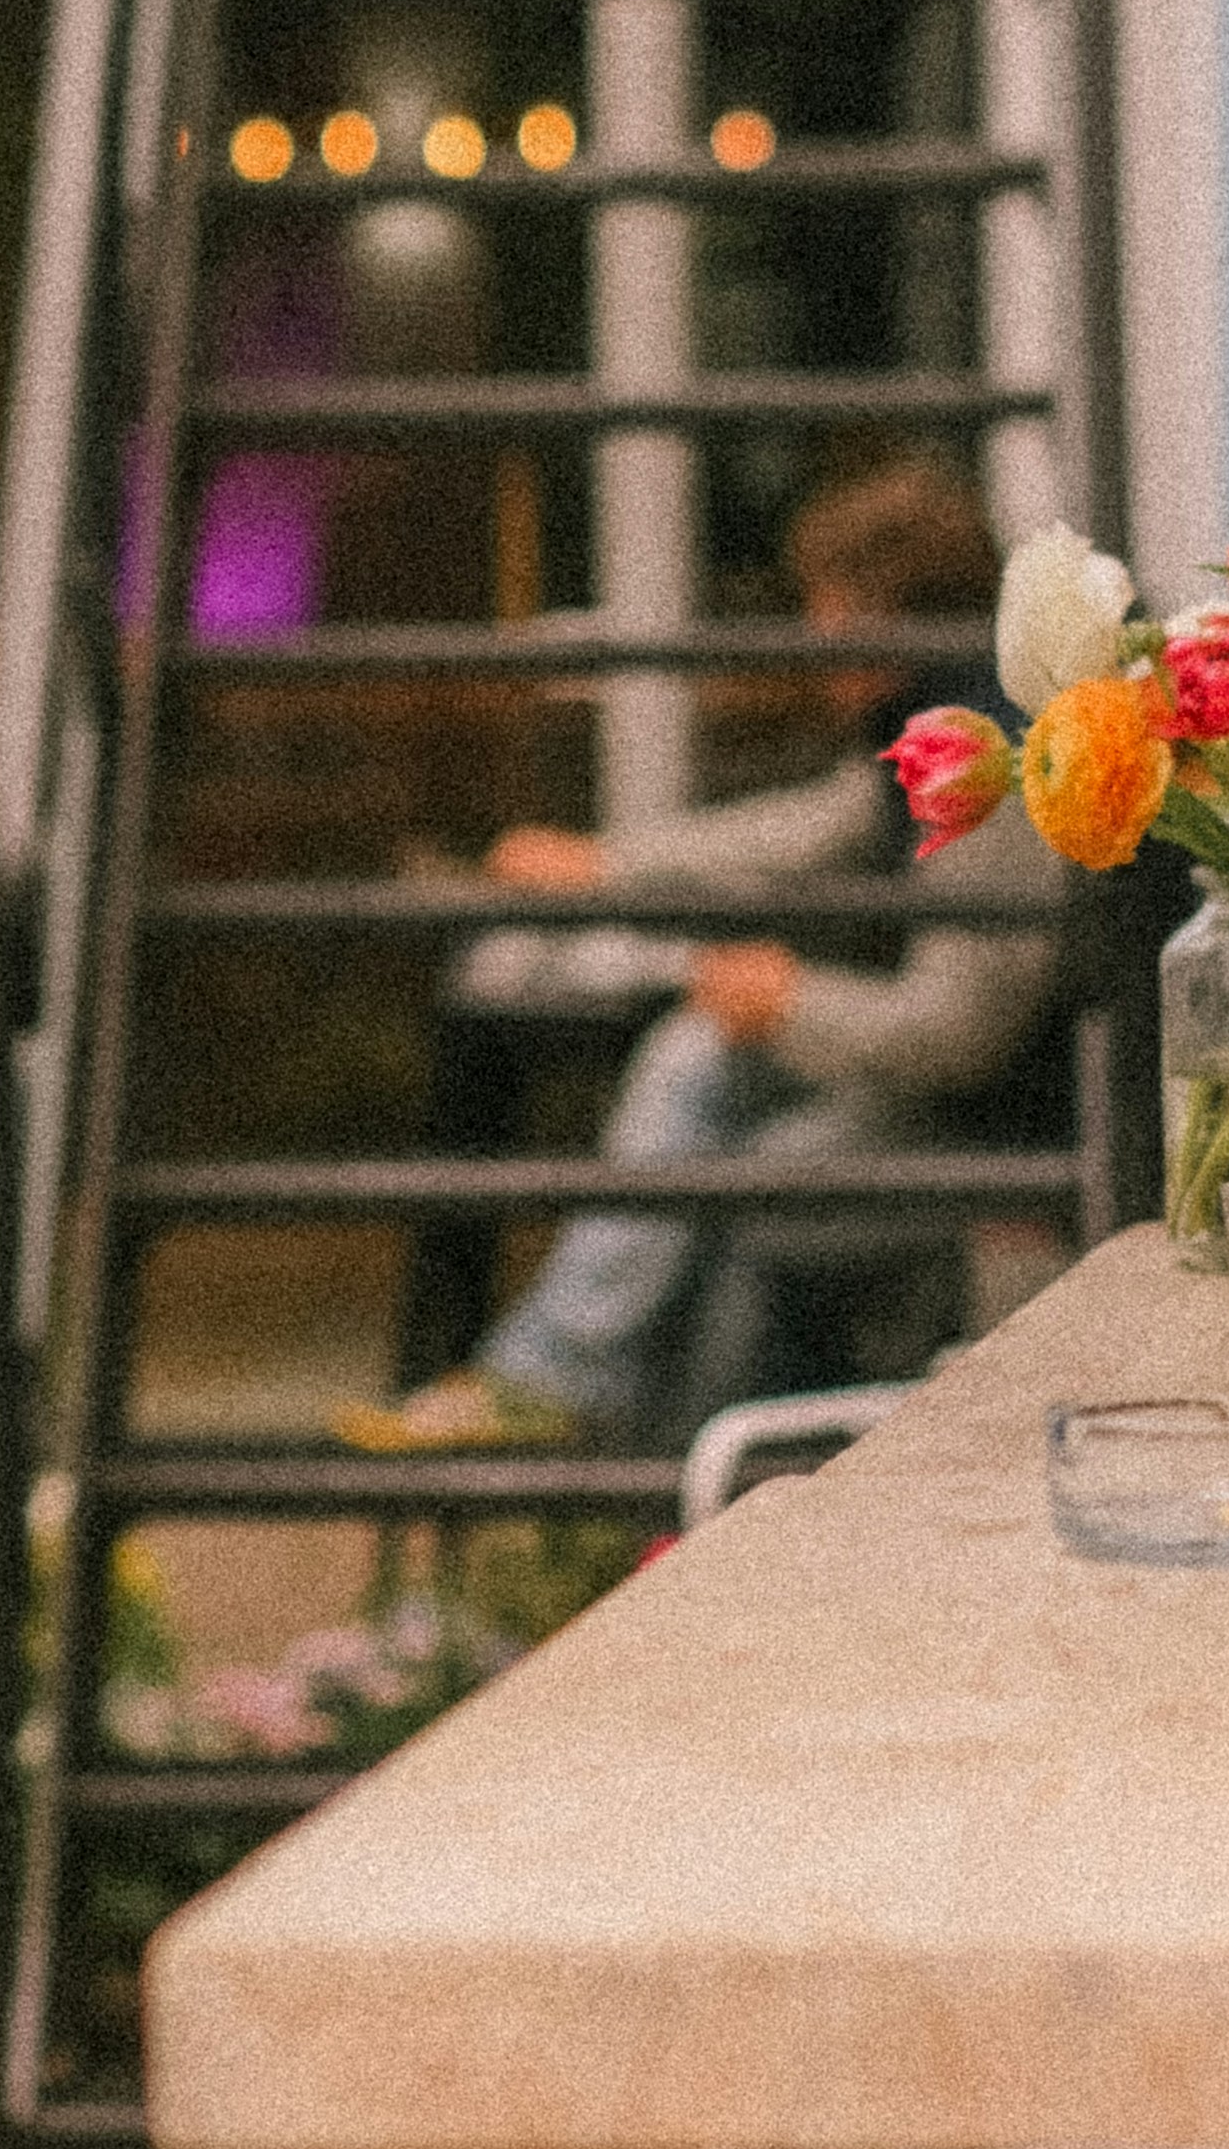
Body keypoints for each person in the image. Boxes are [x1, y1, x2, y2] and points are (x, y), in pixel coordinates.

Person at [349, 453, 1072, 1461]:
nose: (811, 635)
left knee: (750, 1180)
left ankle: (646, 1463)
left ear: (885, 619)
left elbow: (959, 1031)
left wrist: (788, 1000)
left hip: (1008, 1129)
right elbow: (802, 833)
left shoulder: (989, 772)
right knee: (697, 1058)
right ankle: (570, 1394)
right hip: (963, 1102)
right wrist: (606, 866)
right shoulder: (945, 728)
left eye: (827, 607)